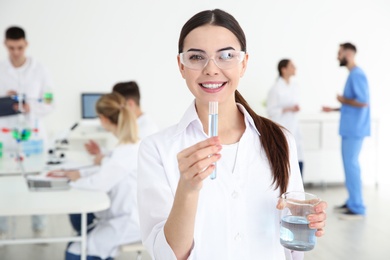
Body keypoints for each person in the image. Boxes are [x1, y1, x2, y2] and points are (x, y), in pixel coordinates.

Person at [137, 9, 327, 260]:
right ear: (181, 66)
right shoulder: (157, 149)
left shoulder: (280, 140)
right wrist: (188, 190)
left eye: (226, 55)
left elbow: (292, 247)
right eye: (196, 57)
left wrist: (309, 219)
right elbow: (165, 256)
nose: (211, 69)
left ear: (244, 63)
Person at [48, 92, 141, 260]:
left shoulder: (123, 153)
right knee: (78, 242)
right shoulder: (127, 147)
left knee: (76, 251)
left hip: (129, 221)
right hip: (123, 215)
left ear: (103, 119)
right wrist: (78, 173)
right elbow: (107, 167)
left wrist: (72, 180)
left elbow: (99, 183)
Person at [0, 26, 54, 238]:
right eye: (11, 47)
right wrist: (6, 98)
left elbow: (50, 101)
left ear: (26, 45)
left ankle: (39, 225)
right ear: (5, 44)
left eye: (19, 47)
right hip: (6, 134)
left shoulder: (40, 70)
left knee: (36, 177)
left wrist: (33, 106)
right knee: (3, 180)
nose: (15, 52)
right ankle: (2, 228)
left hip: (32, 134)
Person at [322, 42, 370, 219]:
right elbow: (354, 104)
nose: (337, 56)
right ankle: (352, 202)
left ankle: (358, 206)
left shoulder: (357, 75)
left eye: (339, 53)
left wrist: (342, 100)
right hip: (351, 128)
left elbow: (363, 102)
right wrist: (334, 108)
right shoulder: (353, 75)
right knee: (349, 166)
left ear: (348, 54)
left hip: (355, 129)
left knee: (352, 166)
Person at [84, 81, 158, 164]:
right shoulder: (133, 126)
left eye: (118, 106)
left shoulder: (145, 130)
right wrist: (100, 151)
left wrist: (102, 160)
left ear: (130, 104)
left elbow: (127, 163)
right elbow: (121, 154)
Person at [267, 59, 304, 176]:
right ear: (283, 69)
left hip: (294, 125)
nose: (295, 68)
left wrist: (295, 108)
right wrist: (288, 109)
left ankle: (298, 188)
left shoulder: (295, 85)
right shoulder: (275, 88)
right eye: (292, 66)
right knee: (284, 157)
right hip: (282, 126)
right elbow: (271, 111)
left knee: (298, 156)